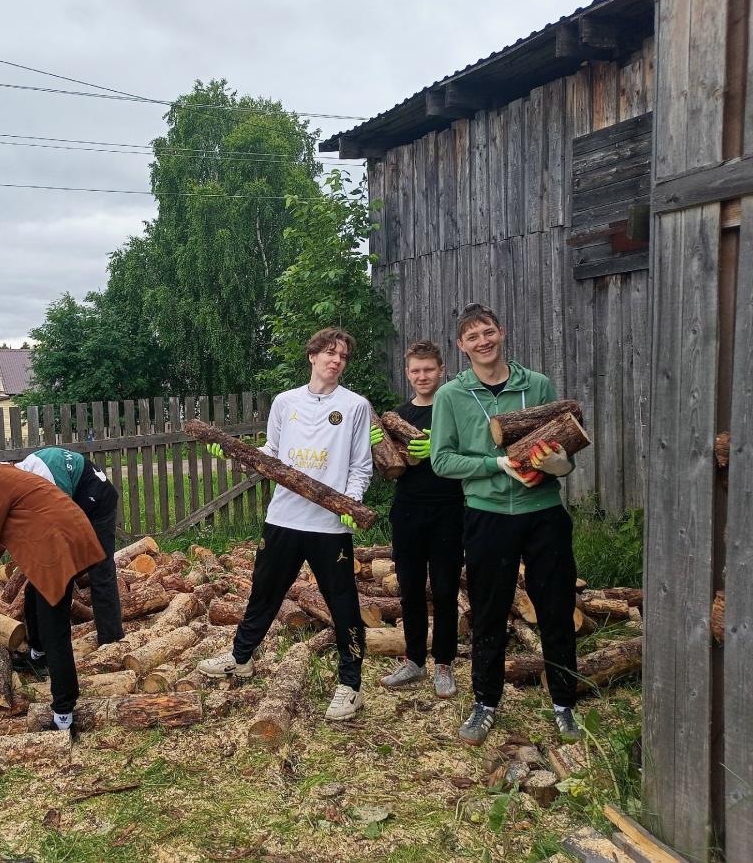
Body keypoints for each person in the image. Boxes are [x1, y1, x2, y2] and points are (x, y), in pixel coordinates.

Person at [196, 327, 373, 721]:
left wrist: (351, 503)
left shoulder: (356, 406)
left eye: (342, 356)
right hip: (283, 518)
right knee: (263, 592)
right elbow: (270, 454)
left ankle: (350, 685)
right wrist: (233, 453)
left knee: (343, 604)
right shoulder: (285, 402)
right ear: (312, 356)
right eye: (329, 352)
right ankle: (241, 657)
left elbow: (361, 464)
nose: (336, 360)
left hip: (329, 525)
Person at [430, 303, 582, 746]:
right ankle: (486, 702)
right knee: (489, 610)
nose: (483, 341)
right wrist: (496, 463)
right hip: (487, 515)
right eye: (473, 336)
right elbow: (441, 460)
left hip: (543, 514)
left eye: (489, 332)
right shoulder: (451, 397)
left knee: (555, 606)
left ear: (502, 333)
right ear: (462, 346)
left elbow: (565, 444)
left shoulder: (536, 385)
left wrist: (561, 467)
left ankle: (564, 704)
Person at [0, 458, 104, 732]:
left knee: (55, 629)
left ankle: (63, 713)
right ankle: (37, 654)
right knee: (32, 597)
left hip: (57, 545)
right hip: (63, 536)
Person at [371, 340, 464, 698]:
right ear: (407, 373)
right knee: (409, 589)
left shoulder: (453, 409)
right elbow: (390, 473)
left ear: (441, 370)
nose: (422, 376)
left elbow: (469, 453)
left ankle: (443, 663)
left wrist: (437, 444)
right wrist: (378, 447)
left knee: (444, 589)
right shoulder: (397, 416)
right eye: (415, 370)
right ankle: (413, 661)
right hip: (408, 510)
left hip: (449, 509)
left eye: (428, 369)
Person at [15, 446, 123, 662]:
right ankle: (39, 651)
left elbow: (62, 523)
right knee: (39, 585)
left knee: (100, 572)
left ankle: (111, 642)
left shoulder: (49, 478)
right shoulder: (22, 478)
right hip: (75, 500)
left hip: (98, 503)